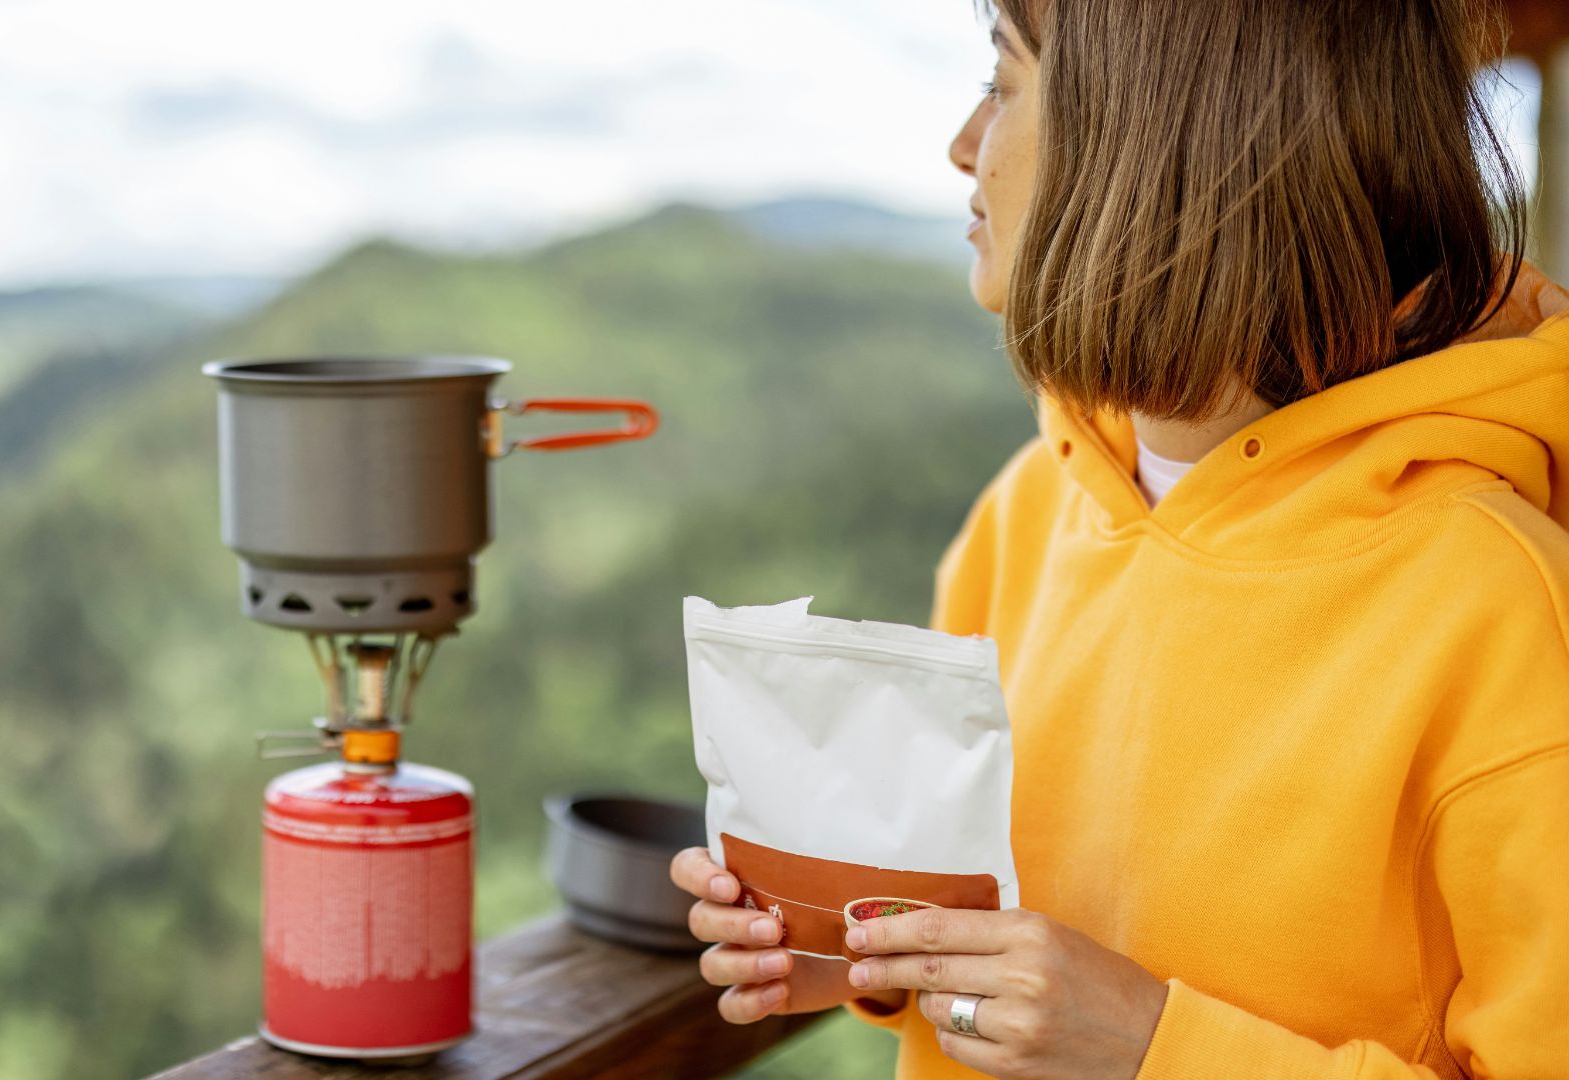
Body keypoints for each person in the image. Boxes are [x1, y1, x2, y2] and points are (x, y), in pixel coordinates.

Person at [669, 1, 1569, 1077]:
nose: (964, 141)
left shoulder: (1501, 606)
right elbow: (1015, 969)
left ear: (1151, 139)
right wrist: (869, 959)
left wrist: (1156, 1048)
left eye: (1001, 82)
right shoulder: (1029, 512)